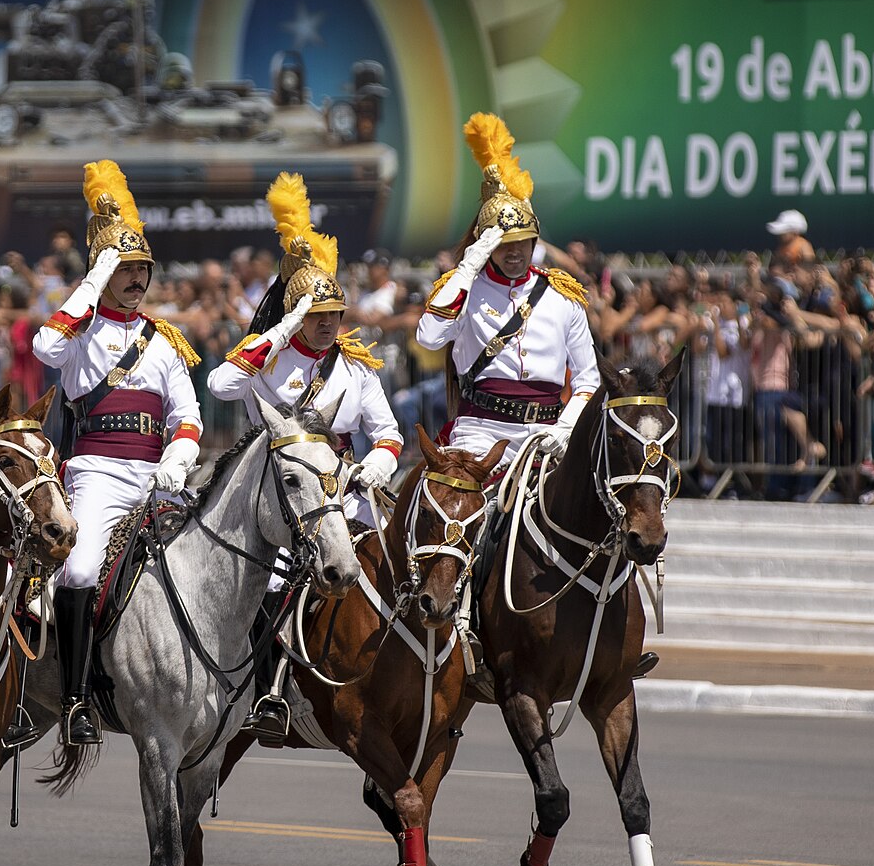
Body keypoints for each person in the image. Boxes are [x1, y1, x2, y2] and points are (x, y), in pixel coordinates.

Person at [207, 172, 403, 740]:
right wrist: (283, 327)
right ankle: (264, 692)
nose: (328, 326)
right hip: (276, 489)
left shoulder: (356, 366)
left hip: (343, 487)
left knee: (398, 567)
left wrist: (379, 465)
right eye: (317, 317)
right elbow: (220, 384)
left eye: (334, 316)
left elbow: (387, 433)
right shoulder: (264, 361)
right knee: (271, 581)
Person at [33, 162, 202, 747]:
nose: (135, 279)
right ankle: (77, 697)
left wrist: (178, 459)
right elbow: (44, 344)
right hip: (98, 473)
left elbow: (188, 417)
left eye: (141, 270)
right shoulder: (76, 334)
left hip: (158, 474)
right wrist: (96, 272)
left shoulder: (165, 343)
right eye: (124, 269)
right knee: (79, 568)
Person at [413, 113, 599, 461]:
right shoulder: (463, 291)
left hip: (549, 434)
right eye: (503, 243)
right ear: (487, 245)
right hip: (480, 431)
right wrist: (467, 267)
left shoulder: (563, 297)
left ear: (535, 243)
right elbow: (429, 336)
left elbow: (588, 379)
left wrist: (567, 426)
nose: (514, 251)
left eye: (522, 242)